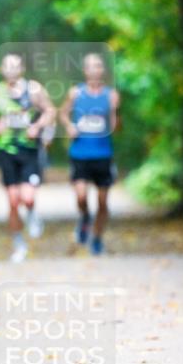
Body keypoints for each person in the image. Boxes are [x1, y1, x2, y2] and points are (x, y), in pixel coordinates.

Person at [0, 53, 55, 263]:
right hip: (6, 151)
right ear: (2, 69)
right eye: (7, 66)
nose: (11, 70)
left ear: (22, 68)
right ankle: (18, 243)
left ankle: (32, 213)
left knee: (28, 197)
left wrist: (37, 126)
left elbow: (50, 111)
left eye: (15, 66)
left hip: (29, 149)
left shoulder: (34, 89)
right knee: (13, 201)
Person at [60, 52, 120, 255]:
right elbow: (62, 113)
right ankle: (85, 217)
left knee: (103, 202)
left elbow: (116, 126)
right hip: (80, 152)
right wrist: (69, 126)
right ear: (85, 71)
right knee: (81, 196)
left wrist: (114, 113)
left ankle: (97, 237)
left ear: (102, 70)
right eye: (90, 66)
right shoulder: (75, 93)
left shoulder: (110, 95)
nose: (94, 70)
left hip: (103, 153)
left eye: (98, 66)